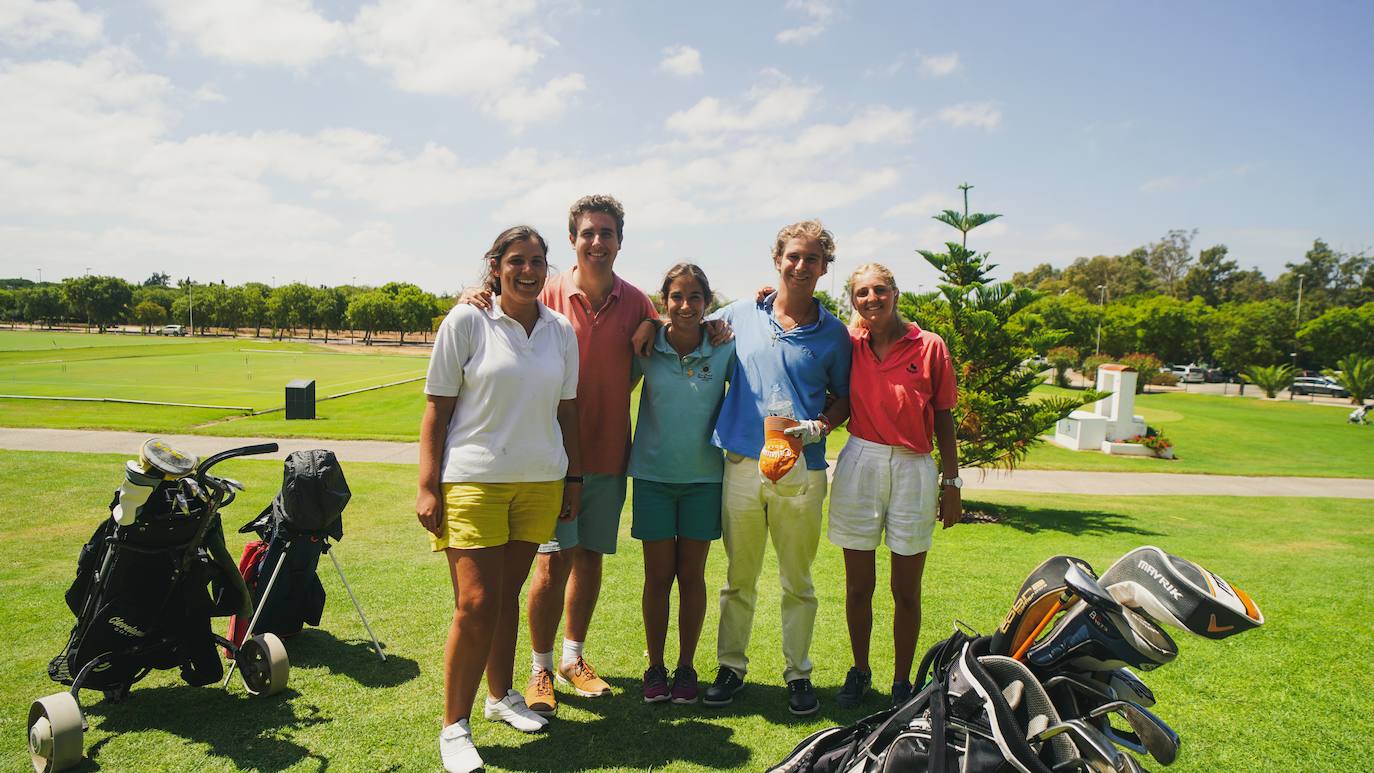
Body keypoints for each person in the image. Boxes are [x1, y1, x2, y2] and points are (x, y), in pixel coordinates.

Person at [417, 226, 582, 773]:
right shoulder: (467, 319)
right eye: (517, 261)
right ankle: (454, 727)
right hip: (472, 481)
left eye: (538, 261)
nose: (529, 270)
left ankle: (499, 697)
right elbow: (437, 409)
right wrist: (426, 484)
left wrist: (573, 478)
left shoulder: (560, 330)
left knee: (506, 597)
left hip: (539, 481)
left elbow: (567, 413)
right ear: (496, 265)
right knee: (477, 604)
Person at [703, 220, 851, 716]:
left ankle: (798, 673)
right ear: (777, 259)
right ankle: (731, 667)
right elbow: (689, 326)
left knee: (797, 580)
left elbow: (844, 398)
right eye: (793, 256)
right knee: (738, 576)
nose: (801, 266)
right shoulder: (741, 314)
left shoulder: (834, 334)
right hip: (743, 463)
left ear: (825, 267)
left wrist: (822, 425)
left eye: (812, 259)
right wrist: (648, 325)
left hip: (802, 470)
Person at [827, 263, 961, 709]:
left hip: (913, 466)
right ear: (853, 301)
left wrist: (952, 482)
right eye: (861, 293)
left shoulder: (929, 346)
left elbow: (943, 416)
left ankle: (902, 681)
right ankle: (860, 670)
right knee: (858, 586)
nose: (871, 299)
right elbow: (808, 325)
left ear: (895, 293)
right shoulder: (850, 343)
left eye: (879, 290)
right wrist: (768, 297)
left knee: (906, 589)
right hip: (860, 460)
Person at [629, 263, 735, 704]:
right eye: (676, 297)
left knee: (691, 576)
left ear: (707, 303)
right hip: (653, 477)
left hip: (704, 479)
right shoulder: (646, 345)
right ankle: (655, 667)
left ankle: (686, 668)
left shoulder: (724, 347)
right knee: (657, 576)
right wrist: (648, 324)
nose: (686, 305)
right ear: (664, 301)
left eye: (695, 297)